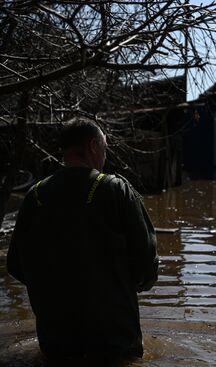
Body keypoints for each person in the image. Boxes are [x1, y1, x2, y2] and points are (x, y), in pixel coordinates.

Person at [7, 118, 158, 363]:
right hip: (114, 342)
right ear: (92, 146)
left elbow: (15, 265)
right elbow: (147, 265)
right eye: (105, 148)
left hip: (56, 343)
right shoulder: (115, 189)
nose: (105, 156)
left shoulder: (35, 196)